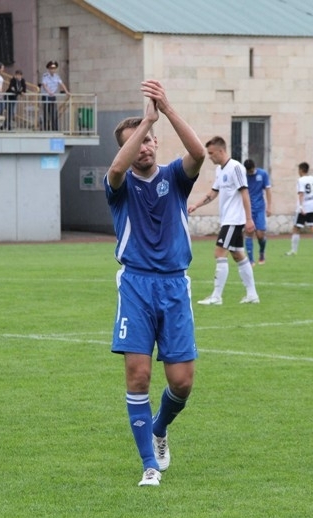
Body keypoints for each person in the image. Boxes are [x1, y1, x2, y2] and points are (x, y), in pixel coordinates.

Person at [105, 79, 206, 487]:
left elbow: (198, 154)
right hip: (136, 285)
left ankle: (159, 428)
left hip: (175, 286)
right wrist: (145, 120)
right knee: (138, 376)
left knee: (182, 383)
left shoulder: (175, 177)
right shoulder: (119, 185)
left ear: (156, 142)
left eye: (148, 140)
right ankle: (149, 465)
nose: (144, 148)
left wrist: (166, 109)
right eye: (136, 143)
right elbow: (116, 169)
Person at [188, 137, 259, 305]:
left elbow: (245, 193)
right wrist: (196, 205)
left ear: (221, 151)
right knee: (238, 255)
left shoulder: (236, 167)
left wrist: (249, 219)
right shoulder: (220, 170)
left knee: (219, 253)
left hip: (234, 220)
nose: (209, 157)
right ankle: (252, 295)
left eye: (211, 153)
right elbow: (213, 193)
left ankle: (216, 296)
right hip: (228, 219)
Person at [285, 162, 313, 256]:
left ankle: (294, 251)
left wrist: (301, 207)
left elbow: (301, 194)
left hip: (304, 207)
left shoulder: (300, 180)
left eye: (298, 170)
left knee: (296, 228)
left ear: (301, 170)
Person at [243, 159, 272, 265]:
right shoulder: (243, 176)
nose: (250, 173)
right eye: (248, 171)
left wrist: (269, 207)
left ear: (254, 167)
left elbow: (268, 190)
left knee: (260, 234)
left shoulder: (263, 174)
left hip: (260, 208)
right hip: (248, 208)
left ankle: (262, 252)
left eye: (251, 171)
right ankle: (251, 260)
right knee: (249, 232)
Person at [40, 60, 67, 131]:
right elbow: (44, 85)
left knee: (54, 113)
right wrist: (49, 92)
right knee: (46, 113)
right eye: (51, 68)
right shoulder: (45, 76)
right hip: (46, 96)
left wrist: (67, 92)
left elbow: (61, 84)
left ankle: (55, 129)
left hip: (52, 96)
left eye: (54, 68)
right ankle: (46, 128)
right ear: (49, 69)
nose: (53, 70)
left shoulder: (57, 76)